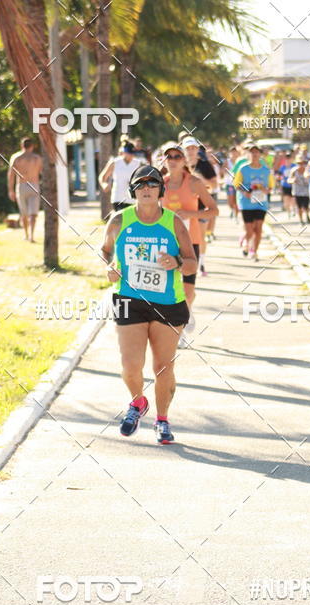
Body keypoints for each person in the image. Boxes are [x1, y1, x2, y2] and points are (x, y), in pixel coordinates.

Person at [100, 165, 197, 443]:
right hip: (129, 298)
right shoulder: (119, 220)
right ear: (132, 190)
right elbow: (105, 250)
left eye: (152, 184)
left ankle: (162, 420)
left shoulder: (173, 222)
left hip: (167, 302)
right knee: (131, 366)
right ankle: (138, 402)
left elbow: (192, 263)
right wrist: (109, 266)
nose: (146, 189)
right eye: (140, 185)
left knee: (162, 366)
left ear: (160, 190)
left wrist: (176, 262)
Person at [161, 141, 217, 339]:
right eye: (169, 157)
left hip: (190, 240)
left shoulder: (193, 182)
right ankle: (178, 329)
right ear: (164, 160)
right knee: (170, 288)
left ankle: (187, 313)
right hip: (167, 243)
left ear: (184, 160)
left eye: (177, 157)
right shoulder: (160, 184)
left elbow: (213, 210)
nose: (173, 160)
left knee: (187, 290)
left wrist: (189, 213)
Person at [181, 136, 217, 275]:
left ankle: (201, 263)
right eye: (188, 148)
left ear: (197, 150)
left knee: (199, 236)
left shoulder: (205, 165)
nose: (190, 151)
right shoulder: (178, 164)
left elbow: (214, 185)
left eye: (193, 148)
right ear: (183, 150)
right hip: (182, 206)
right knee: (182, 237)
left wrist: (200, 179)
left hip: (200, 206)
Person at [233, 142, 274, 261]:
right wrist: (244, 192)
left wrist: (267, 190)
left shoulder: (266, 170)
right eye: (252, 152)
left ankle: (254, 252)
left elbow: (271, 186)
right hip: (246, 203)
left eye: (257, 152)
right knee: (250, 230)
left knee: (259, 228)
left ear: (260, 154)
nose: (254, 154)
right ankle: (246, 242)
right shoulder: (243, 169)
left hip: (261, 203)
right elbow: (236, 184)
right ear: (248, 154)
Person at [8, 137, 43, 242]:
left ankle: (26, 234)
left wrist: (10, 190)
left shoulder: (16, 158)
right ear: (32, 146)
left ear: (22, 146)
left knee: (24, 213)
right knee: (33, 213)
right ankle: (31, 235)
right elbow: (43, 173)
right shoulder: (37, 158)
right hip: (34, 185)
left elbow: (11, 175)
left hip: (21, 186)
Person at [99, 142, 142, 211]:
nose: (131, 155)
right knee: (121, 220)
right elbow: (102, 177)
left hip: (133, 200)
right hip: (118, 198)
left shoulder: (138, 164)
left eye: (132, 153)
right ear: (124, 152)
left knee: (130, 220)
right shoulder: (115, 163)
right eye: (129, 153)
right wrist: (104, 184)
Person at [290, 156, 310, 225]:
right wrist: (293, 180)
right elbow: (289, 179)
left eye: (302, 163)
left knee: (306, 206)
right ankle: (301, 220)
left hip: (306, 191)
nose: (301, 165)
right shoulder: (294, 170)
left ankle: (307, 215)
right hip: (297, 191)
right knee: (299, 207)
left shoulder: (307, 170)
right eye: (299, 163)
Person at [279, 152, 296, 218]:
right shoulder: (282, 167)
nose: (288, 160)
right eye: (286, 158)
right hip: (285, 185)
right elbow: (279, 176)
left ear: (291, 159)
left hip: (293, 185)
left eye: (289, 158)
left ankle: (293, 210)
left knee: (293, 200)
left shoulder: (294, 166)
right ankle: (288, 212)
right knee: (286, 200)